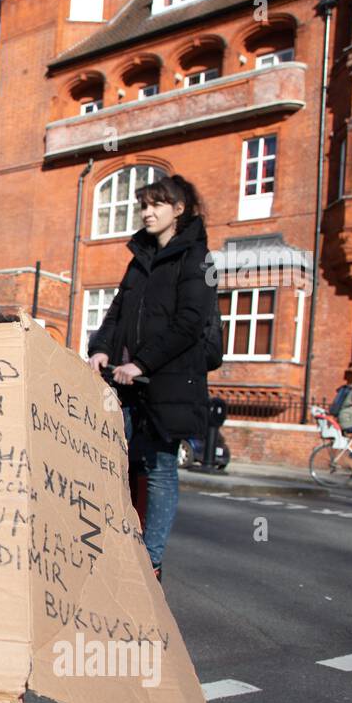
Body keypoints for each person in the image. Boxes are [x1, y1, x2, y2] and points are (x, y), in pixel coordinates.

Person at [86, 175, 214, 582]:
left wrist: (141, 362)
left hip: (169, 382)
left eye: (157, 204)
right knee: (113, 461)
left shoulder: (197, 258)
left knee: (159, 468)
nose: (147, 211)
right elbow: (117, 312)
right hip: (126, 384)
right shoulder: (139, 257)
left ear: (179, 209)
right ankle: (113, 542)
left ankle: (151, 557)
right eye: (144, 204)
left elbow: (190, 323)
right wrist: (100, 348)